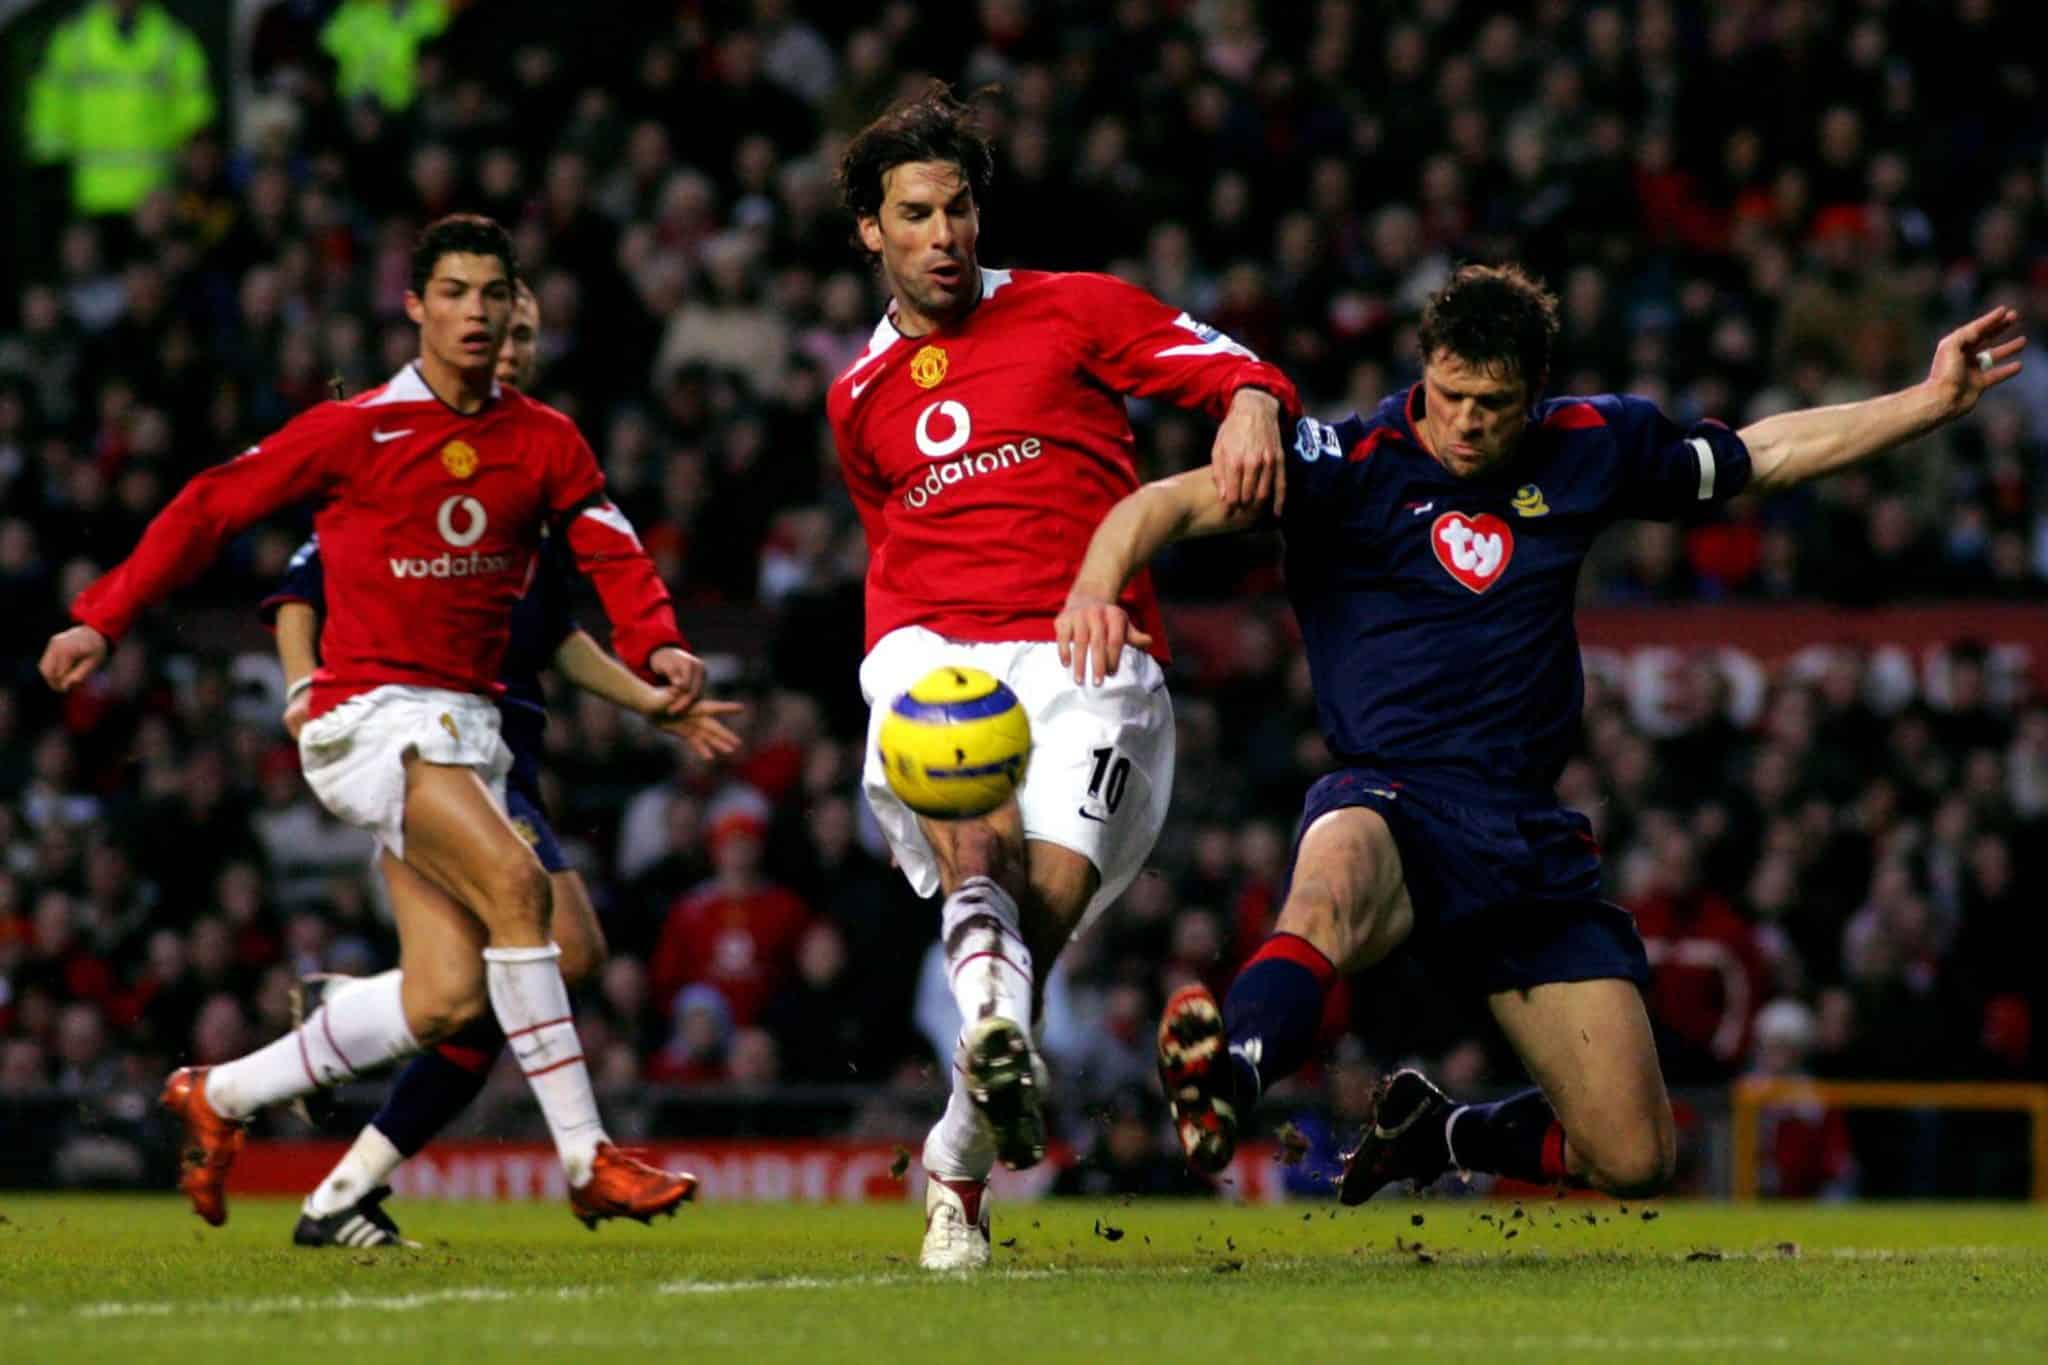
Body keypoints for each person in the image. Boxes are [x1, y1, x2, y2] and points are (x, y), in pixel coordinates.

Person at [1056, 263, 2024, 1203]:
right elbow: (1158, 505)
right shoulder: (1340, 465)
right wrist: (1096, 591)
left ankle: (1437, 1132)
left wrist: (1926, 404)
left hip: (1520, 832)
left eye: (1493, 401)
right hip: (1389, 792)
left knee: (1634, 1158)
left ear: (1533, 394)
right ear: (1420, 372)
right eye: (1448, 393)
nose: (1468, 420)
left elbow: (1758, 455)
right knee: (1328, 890)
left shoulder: (1588, 445)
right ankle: (1229, 1081)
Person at [39, 213, 734, 1231]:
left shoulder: (543, 440)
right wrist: (102, 616)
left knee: (448, 997)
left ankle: (220, 1093)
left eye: (492, 295)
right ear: (415, 305)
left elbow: (614, 552)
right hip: (371, 718)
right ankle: (587, 1160)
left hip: (472, 730)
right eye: (452, 293)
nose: (476, 314)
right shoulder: (356, 429)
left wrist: (658, 644)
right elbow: (208, 506)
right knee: (519, 895)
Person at [828, 83, 1296, 1269]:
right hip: (935, 650)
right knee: (971, 849)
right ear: (869, 232)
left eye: (959, 209)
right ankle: (995, 1053)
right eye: (917, 214)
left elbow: (1235, 367)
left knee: (1040, 905)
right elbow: (888, 540)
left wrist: (1247, 404)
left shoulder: (1074, 309)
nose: (944, 235)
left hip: (1090, 646)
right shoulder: (856, 398)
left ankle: (958, 1150)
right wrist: (895, 665)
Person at [268, 282, 739, 1248]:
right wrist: (300, 686)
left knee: (482, 989)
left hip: (501, 740)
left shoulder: (524, 467)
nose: (511, 347)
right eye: (500, 330)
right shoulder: (405, 462)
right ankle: (565, 1151)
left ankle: (344, 1155)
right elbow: (299, 586)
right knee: (553, 954)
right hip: (430, 742)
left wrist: (645, 701)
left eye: (525, 333)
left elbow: (555, 631)